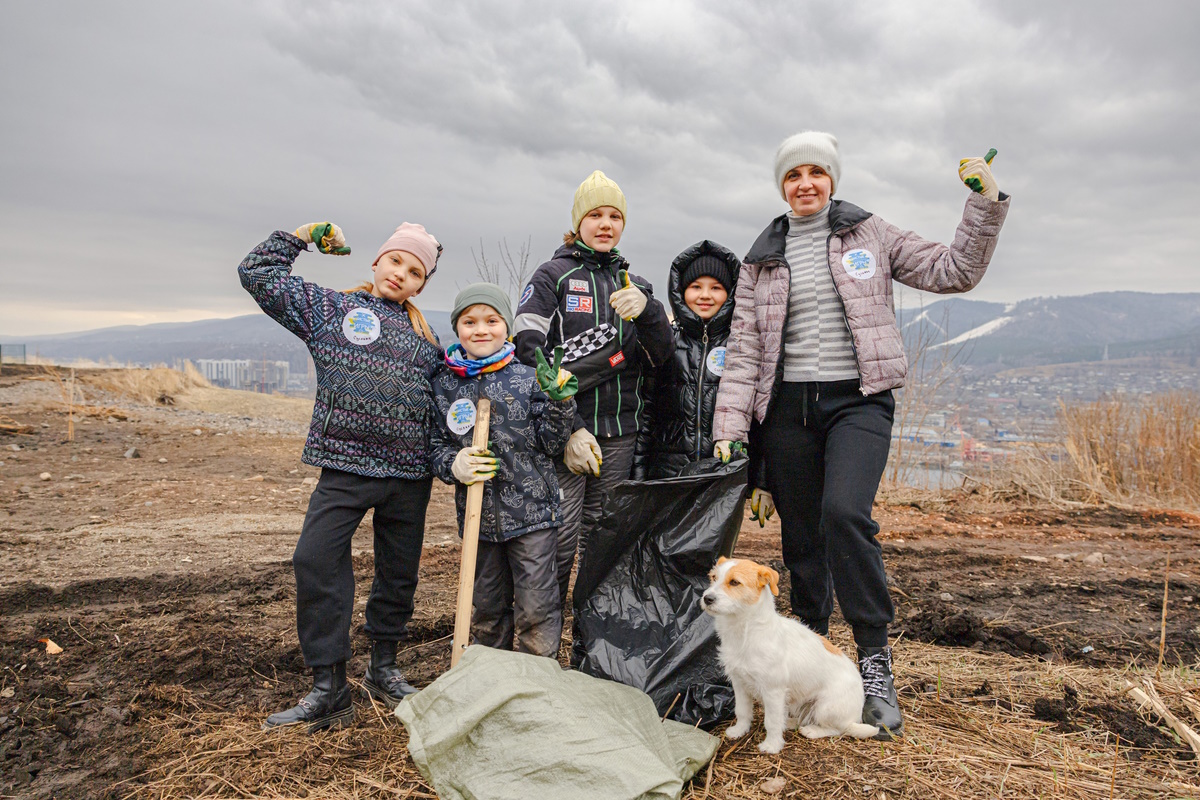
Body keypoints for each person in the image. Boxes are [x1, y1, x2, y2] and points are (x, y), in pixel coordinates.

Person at [712, 132, 1010, 739]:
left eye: (816, 173)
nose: (805, 184)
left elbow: (955, 271)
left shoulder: (870, 234)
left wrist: (985, 202)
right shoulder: (760, 257)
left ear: (832, 179)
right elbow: (743, 352)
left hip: (859, 401)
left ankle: (874, 665)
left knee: (845, 514)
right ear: (781, 185)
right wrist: (731, 429)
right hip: (787, 410)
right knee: (801, 536)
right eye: (793, 175)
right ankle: (814, 663)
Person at [239, 221, 444, 731]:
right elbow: (257, 272)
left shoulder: (428, 341)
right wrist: (302, 234)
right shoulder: (331, 311)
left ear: (422, 284)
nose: (401, 274)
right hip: (345, 470)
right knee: (314, 560)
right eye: (396, 261)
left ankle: (384, 667)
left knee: (398, 573)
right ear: (377, 263)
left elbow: (451, 401)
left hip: (409, 475)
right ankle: (328, 686)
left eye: (415, 271)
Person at [513, 170, 674, 608]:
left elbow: (662, 356)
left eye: (615, 216)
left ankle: (593, 650)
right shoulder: (553, 276)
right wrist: (570, 428)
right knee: (559, 546)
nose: (606, 224)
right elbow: (527, 351)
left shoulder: (636, 285)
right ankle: (542, 651)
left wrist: (650, 312)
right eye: (596, 215)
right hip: (565, 433)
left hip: (620, 432)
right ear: (579, 221)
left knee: (603, 546)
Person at [429, 284, 578, 657]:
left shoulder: (529, 378)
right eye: (469, 321)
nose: (481, 329)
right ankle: (488, 677)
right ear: (457, 328)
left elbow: (552, 444)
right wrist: (454, 464)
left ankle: (533, 682)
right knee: (487, 610)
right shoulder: (445, 384)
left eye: (491, 320)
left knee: (536, 609)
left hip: (533, 517)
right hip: (479, 521)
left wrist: (561, 404)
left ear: (506, 327)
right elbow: (435, 446)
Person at [632, 240, 745, 480]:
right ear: (681, 291)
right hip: (668, 475)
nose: (705, 295)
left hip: (721, 475)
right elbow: (647, 412)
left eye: (716, 288)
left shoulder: (741, 346)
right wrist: (639, 473)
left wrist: (759, 479)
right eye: (695, 286)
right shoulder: (665, 344)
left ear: (731, 293)